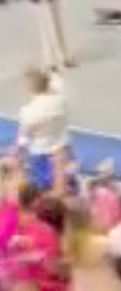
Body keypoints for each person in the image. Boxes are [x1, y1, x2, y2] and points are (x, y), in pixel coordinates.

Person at [16, 67, 70, 197]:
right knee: (62, 185)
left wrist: (19, 155)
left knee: (41, 188)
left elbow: (25, 136)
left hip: (40, 152)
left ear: (30, 88)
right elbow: (58, 84)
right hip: (61, 149)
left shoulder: (28, 111)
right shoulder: (60, 100)